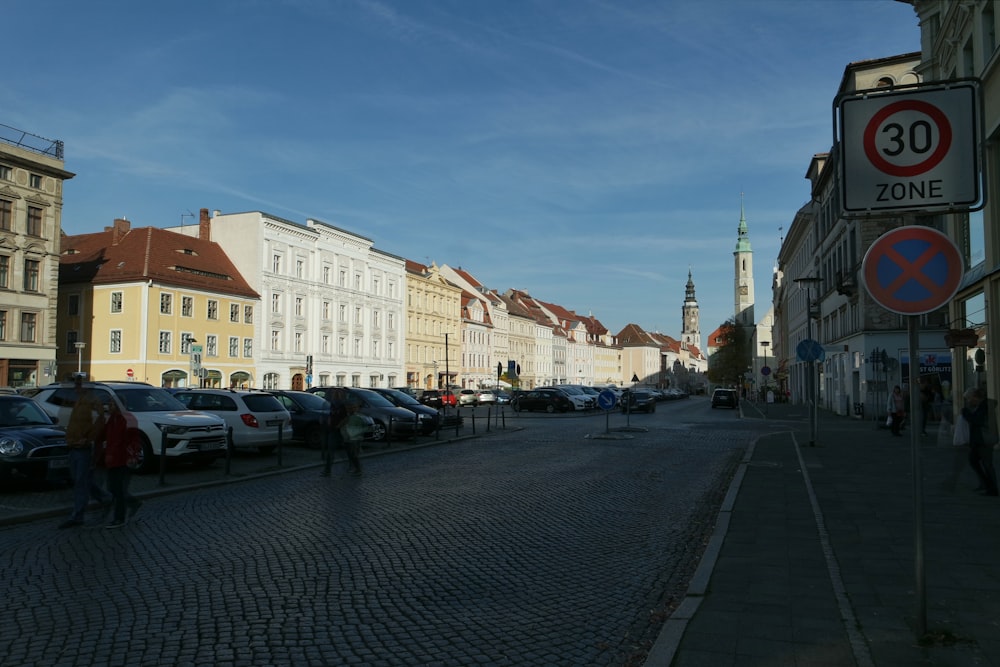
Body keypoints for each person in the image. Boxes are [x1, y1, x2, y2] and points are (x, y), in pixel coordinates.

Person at [59, 376, 112, 529]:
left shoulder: (92, 402)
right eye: (75, 384)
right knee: (82, 480)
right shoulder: (79, 400)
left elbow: (100, 421)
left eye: (78, 384)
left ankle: (78, 515)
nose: (75, 387)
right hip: (74, 445)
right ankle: (106, 498)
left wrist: (88, 439)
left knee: (81, 482)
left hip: (83, 448)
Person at [102, 401, 143, 528]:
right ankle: (133, 503)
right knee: (112, 488)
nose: (109, 407)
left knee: (119, 489)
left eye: (112, 405)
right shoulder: (112, 420)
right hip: (112, 459)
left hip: (123, 459)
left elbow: (134, 439)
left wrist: (133, 455)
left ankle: (119, 518)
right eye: (109, 405)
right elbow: (106, 436)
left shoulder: (127, 419)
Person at [961, 387, 998, 497]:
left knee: (987, 464)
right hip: (979, 440)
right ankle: (986, 484)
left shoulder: (984, 406)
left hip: (984, 440)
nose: (968, 401)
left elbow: (977, 420)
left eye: (969, 398)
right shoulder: (979, 406)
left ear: (975, 397)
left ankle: (992, 489)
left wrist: (965, 413)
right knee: (974, 460)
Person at [321, 398, 348, 477]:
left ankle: (353, 466)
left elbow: (346, 418)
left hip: (340, 430)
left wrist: (339, 426)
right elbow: (330, 415)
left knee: (345, 451)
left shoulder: (343, 406)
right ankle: (327, 470)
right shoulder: (332, 405)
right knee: (331, 451)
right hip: (333, 430)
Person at [339, 402, 367, 476]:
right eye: (348, 408)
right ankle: (355, 468)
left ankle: (358, 469)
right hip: (348, 438)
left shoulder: (355, 417)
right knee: (351, 454)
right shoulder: (349, 416)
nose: (348, 409)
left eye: (351, 408)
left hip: (353, 438)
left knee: (353, 454)